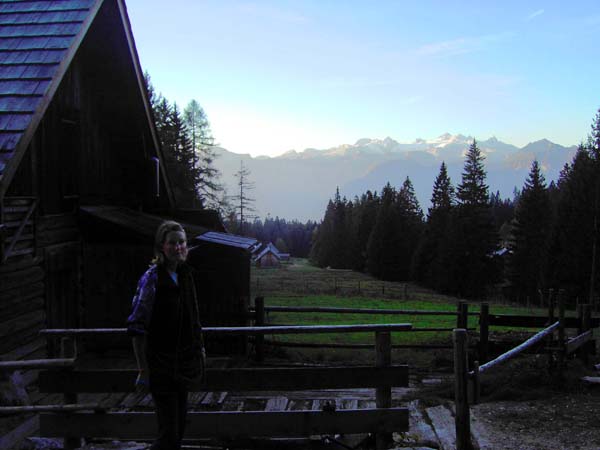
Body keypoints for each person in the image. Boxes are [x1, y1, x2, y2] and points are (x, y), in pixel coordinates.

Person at [127, 220, 206, 450]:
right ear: (162, 246)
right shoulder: (152, 279)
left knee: (179, 429)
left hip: (184, 365)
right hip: (161, 367)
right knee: (169, 434)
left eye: (182, 242)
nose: (178, 247)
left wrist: (200, 348)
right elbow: (137, 325)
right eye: (172, 243)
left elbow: (194, 317)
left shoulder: (185, 275)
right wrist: (143, 370)